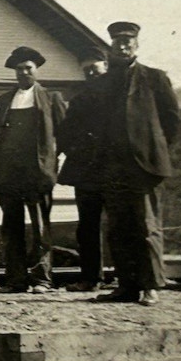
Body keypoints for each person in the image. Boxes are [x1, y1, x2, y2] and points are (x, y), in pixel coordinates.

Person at [87, 21, 181, 306]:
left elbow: (172, 120)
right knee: (118, 227)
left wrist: (153, 152)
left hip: (143, 167)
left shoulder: (154, 78)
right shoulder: (102, 83)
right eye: (118, 42)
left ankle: (151, 285)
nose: (123, 46)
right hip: (112, 167)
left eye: (128, 42)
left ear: (137, 46)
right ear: (111, 46)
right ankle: (126, 286)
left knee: (145, 225)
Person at [0, 46, 68, 294]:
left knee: (40, 228)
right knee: (11, 229)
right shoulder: (3, 102)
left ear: (36, 70)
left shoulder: (51, 98)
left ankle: (42, 279)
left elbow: (65, 135)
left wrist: (51, 165)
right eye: (19, 69)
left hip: (37, 175)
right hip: (9, 175)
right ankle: (15, 280)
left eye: (28, 68)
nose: (23, 73)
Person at [58, 53, 110, 292]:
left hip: (116, 170)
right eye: (86, 69)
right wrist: (79, 149)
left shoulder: (119, 97)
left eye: (95, 68)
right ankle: (91, 278)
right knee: (88, 227)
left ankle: (127, 277)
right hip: (87, 173)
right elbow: (65, 134)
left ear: (106, 67)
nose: (91, 73)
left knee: (121, 225)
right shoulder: (79, 101)